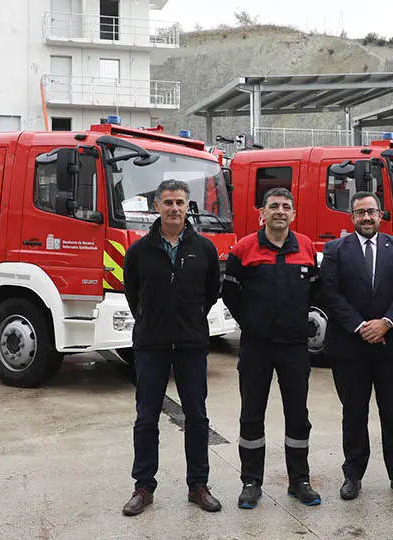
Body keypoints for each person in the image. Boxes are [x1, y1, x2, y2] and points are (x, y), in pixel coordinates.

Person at [121, 179, 223, 516]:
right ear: (157, 207)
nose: (174, 208)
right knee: (146, 417)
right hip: (151, 344)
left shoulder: (204, 248)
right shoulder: (139, 251)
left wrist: (189, 319)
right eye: (168, 203)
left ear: (187, 206)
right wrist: (153, 320)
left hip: (192, 344)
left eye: (180, 202)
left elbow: (210, 292)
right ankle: (143, 486)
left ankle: (198, 485)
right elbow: (133, 292)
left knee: (196, 416)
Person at [221, 188, 321, 510]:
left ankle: (299, 480)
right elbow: (230, 294)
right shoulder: (243, 249)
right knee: (252, 415)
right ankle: (251, 481)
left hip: (294, 348)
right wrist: (251, 324)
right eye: (274, 206)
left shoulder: (306, 247)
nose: (280, 211)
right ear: (262, 213)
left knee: (298, 416)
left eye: (286, 207)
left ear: (294, 214)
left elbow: (315, 292)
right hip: (257, 347)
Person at [320, 191, 393, 500]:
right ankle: (352, 475)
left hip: (391, 345)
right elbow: (329, 292)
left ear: (380, 215)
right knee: (353, 413)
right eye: (360, 212)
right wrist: (361, 325)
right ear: (352, 217)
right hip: (351, 347)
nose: (366, 217)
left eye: (371, 212)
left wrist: (386, 322)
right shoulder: (335, 249)